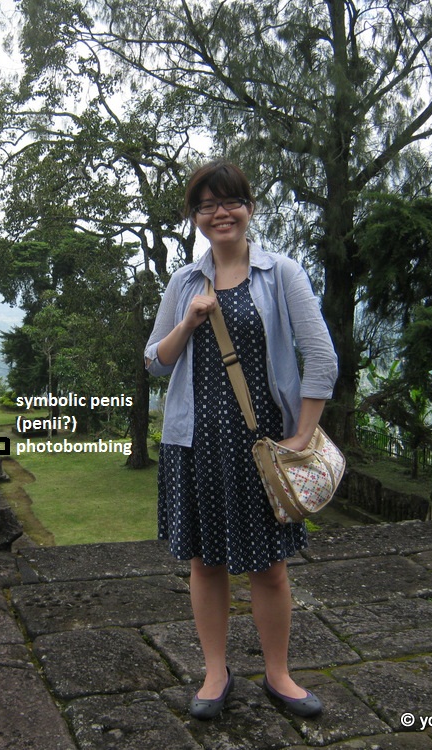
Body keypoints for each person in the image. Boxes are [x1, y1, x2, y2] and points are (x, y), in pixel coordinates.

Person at [144, 160, 337, 720]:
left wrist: (302, 435)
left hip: (260, 446)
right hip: (194, 444)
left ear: (248, 208)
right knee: (205, 563)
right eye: (206, 205)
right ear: (196, 217)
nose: (219, 213)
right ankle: (214, 671)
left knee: (270, 567)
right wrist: (188, 322)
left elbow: (320, 357)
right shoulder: (184, 283)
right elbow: (154, 362)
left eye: (229, 202)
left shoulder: (282, 274)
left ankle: (279, 673)